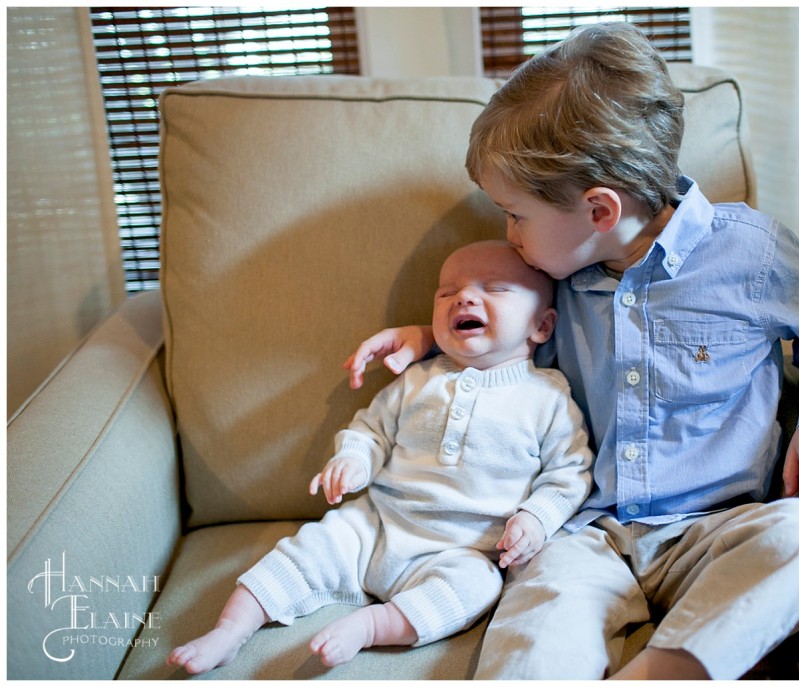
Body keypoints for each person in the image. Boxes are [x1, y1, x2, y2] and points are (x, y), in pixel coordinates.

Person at [343, 22, 799, 681]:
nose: (508, 233)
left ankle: (660, 669)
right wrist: (429, 337)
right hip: (585, 532)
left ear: (599, 210)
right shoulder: (555, 275)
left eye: (516, 214)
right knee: (535, 629)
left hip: (716, 525)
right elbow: (504, 329)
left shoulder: (750, 252)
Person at [166, 240, 593, 674]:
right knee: (306, 549)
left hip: (463, 548)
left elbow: (571, 471)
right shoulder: (417, 380)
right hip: (374, 524)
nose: (463, 297)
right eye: (447, 292)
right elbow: (370, 430)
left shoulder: (547, 398)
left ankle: (369, 627)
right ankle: (229, 630)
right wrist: (352, 461)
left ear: (542, 325)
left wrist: (537, 517)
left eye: (495, 288)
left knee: (477, 588)